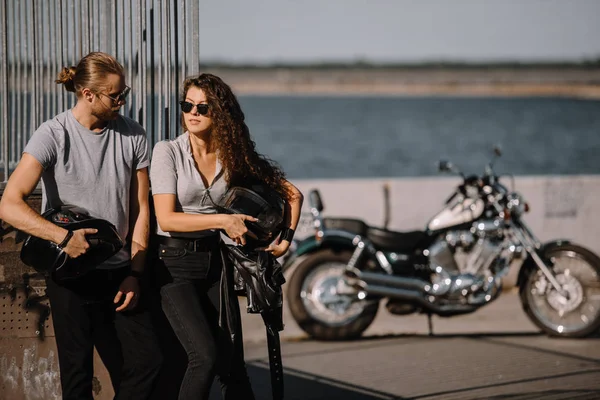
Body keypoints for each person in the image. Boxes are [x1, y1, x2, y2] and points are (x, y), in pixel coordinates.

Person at [0, 52, 162, 399]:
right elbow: (9, 205)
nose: (121, 101)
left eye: (124, 93)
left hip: (119, 273)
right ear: (88, 93)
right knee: (77, 376)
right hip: (70, 272)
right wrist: (63, 237)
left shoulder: (134, 135)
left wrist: (135, 271)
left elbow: (141, 209)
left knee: (149, 361)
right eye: (114, 95)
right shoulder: (53, 134)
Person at [149, 73, 303, 400]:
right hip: (173, 264)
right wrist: (222, 221)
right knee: (203, 357)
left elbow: (293, 195)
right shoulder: (168, 152)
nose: (192, 113)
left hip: (214, 264)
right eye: (187, 105)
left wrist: (285, 241)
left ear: (219, 113)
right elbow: (166, 218)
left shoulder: (231, 156)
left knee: (232, 362)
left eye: (202, 107)